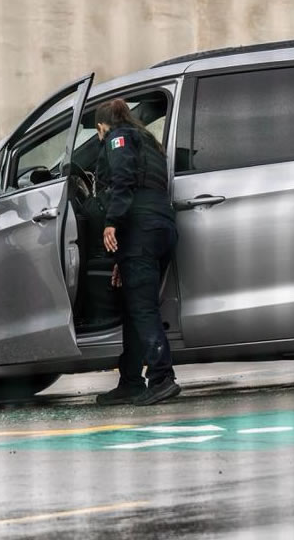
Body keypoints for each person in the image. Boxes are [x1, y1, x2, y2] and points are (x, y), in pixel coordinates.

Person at [93, 98, 181, 407]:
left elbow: (123, 180)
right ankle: (130, 380)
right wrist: (123, 258)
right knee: (135, 306)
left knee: (142, 308)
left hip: (141, 230)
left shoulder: (119, 137)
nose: (100, 137)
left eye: (98, 131)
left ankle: (162, 378)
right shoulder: (148, 141)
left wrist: (111, 224)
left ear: (103, 125)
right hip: (159, 229)